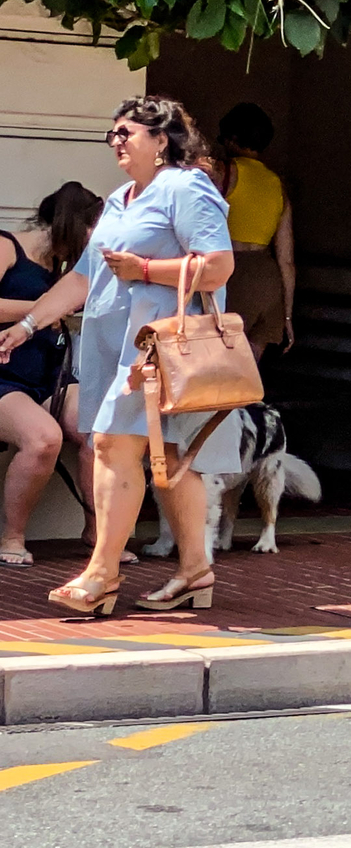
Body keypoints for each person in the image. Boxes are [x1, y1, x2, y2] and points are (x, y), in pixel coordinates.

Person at [0, 98, 235, 617]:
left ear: (162, 139)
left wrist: (144, 269)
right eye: (112, 134)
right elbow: (84, 277)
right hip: (119, 349)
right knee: (171, 460)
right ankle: (196, 572)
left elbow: (217, 267)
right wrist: (28, 324)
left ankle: (101, 574)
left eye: (127, 132)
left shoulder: (186, 186)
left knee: (109, 444)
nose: (116, 141)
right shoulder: (122, 198)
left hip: (160, 349)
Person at [0, 184, 103, 566]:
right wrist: (44, 310)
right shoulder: (8, 247)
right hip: (5, 375)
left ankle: (98, 533)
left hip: (49, 372)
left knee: (99, 432)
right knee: (43, 438)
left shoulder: (66, 266)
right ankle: (12, 537)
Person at [207, 103, 294, 362]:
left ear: (232, 139)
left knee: (218, 368)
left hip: (231, 272)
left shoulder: (223, 172)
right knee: (247, 372)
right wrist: (287, 316)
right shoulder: (277, 185)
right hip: (268, 279)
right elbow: (287, 260)